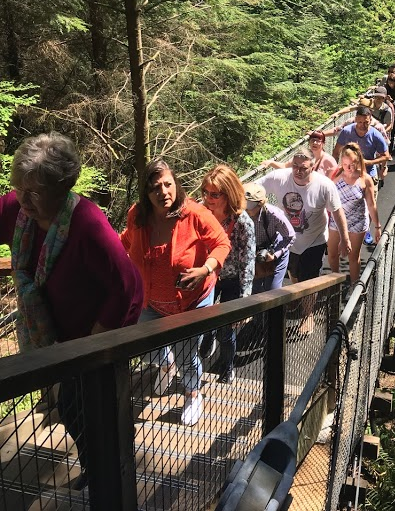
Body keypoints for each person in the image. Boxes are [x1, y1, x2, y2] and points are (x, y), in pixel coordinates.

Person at [0, 133, 144, 490]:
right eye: (20, 188)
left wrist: (97, 341)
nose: (25, 200)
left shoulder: (87, 224)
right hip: (58, 340)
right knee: (75, 409)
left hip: (94, 339)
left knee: (90, 408)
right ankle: (98, 466)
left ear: (62, 188)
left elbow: (127, 285)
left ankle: (113, 471)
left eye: (36, 192)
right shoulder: (18, 210)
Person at [121, 159, 231, 424]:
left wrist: (205, 269)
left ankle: (193, 394)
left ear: (176, 184)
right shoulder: (138, 215)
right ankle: (166, 364)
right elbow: (126, 240)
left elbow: (221, 243)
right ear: (146, 194)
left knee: (186, 354)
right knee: (143, 344)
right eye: (155, 187)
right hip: (151, 302)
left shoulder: (194, 213)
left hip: (190, 302)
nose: (163, 192)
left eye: (168, 184)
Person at [257, 149, 350, 334]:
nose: (298, 171)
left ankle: (308, 315)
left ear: (313, 167)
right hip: (287, 239)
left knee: (309, 277)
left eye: (303, 168)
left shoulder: (324, 186)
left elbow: (337, 212)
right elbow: (254, 189)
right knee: (293, 272)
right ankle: (298, 296)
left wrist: (344, 238)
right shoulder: (280, 177)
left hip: (314, 239)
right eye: (295, 166)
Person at [200, 164, 256, 384]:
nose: (208, 198)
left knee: (227, 328)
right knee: (204, 320)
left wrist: (245, 298)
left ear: (229, 193)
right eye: (205, 192)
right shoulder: (201, 213)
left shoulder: (242, 223)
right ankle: (207, 335)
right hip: (208, 277)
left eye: (215, 194)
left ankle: (227, 368)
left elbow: (247, 261)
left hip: (232, 280)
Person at [328, 144, 381, 284]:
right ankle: (335, 282)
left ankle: (354, 284)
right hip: (337, 219)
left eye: (352, 164)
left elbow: (371, 204)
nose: (349, 168)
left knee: (353, 255)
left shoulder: (365, 179)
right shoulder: (334, 174)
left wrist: (377, 226)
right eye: (345, 164)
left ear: (358, 161)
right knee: (333, 253)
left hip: (357, 220)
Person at [243, 183, 295, 293]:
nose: (245, 208)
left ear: (260, 204)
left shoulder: (274, 215)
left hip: (274, 250)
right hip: (253, 253)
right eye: (243, 202)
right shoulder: (239, 214)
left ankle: (276, 309)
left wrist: (275, 255)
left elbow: (289, 236)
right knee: (253, 290)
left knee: (273, 290)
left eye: (249, 204)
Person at [332, 106, 391, 188]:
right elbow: (336, 152)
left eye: (366, 122)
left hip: (369, 173)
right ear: (355, 119)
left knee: (371, 198)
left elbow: (386, 156)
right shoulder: (346, 132)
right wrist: (335, 170)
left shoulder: (376, 135)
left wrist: (369, 162)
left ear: (370, 121)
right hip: (349, 174)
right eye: (360, 122)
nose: (362, 125)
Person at [261, 130, 337, 178]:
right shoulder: (302, 156)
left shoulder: (329, 161)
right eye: (313, 140)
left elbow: (333, 181)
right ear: (309, 142)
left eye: (318, 141)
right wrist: (271, 162)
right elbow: (285, 166)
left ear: (323, 143)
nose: (315, 143)